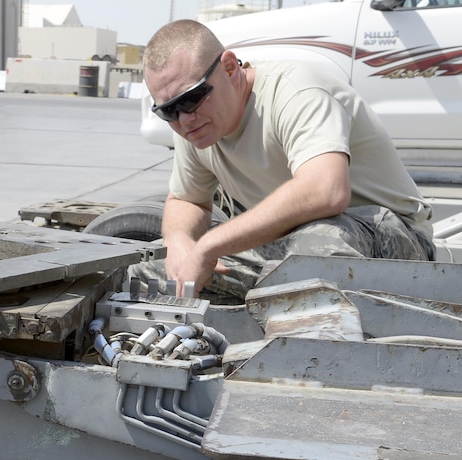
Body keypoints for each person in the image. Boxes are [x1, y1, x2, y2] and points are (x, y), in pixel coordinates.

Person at [139, 19, 434, 300]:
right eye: (169, 110)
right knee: (150, 271)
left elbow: (326, 191)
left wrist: (208, 245)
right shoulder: (196, 123)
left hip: (392, 241)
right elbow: (186, 200)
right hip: (290, 243)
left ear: (229, 69)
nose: (184, 119)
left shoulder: (296, 91)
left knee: (315, 249)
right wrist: (178, 242)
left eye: (191, 99)